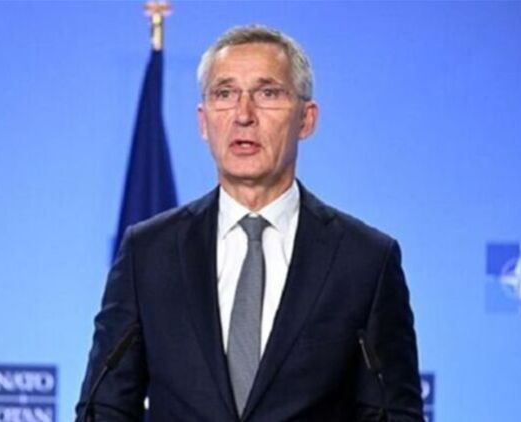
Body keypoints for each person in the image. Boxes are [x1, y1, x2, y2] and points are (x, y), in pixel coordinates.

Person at [77, 25, 423, 421]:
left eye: (268, 93)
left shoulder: (365, 261)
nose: (243, 115)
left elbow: (393, 414)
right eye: (224, 94)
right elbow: (104, 409)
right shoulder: (149, 253)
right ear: (204, 121)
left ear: (306, 119)